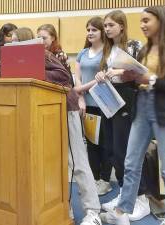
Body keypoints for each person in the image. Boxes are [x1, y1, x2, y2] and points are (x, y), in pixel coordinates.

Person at [100, 6, 165, 225]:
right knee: (131, 162)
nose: (142, 25)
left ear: (161, 21)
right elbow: (138, 80)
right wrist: (128, 78)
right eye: (141, 21)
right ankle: (123, 213)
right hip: (141, 108)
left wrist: (150, 81)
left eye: (146, 20)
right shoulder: (144, 51)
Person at [13, 27, 102, 225]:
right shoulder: (17, 59)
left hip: (66, 109)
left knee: (78, 161)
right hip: (44, 112)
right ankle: (63, 208)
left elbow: (63, 77)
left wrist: (35, 72)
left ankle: (93, 211)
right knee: (53, 166)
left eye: (16, 40)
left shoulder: (43, 55)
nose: (12, 44)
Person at [95, 10, 150, 221]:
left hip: (128, 100)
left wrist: (119, 72)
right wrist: (101, 74)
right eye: (105, 26)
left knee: (128, 151)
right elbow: (104, 73)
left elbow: (142, 73)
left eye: (110, 25)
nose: (107, 29)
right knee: (113, 151)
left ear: (121, 26)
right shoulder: (107, 50)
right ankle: (124, 195)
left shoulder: (134, 46)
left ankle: (141, 197)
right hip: (109, 100)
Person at [74, 16, 113, 195]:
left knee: (105, 144)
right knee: (91, 144)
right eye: (88, 29)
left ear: (102, 32)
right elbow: (77, 79)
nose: (90, 33)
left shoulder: (109, 52)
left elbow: (103, 78)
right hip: (87, 105)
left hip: (104, 104)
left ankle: (105, 180)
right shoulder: (83, 53)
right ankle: (95, 179)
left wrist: (81, 88)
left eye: (94, 30)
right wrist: (80, 97)